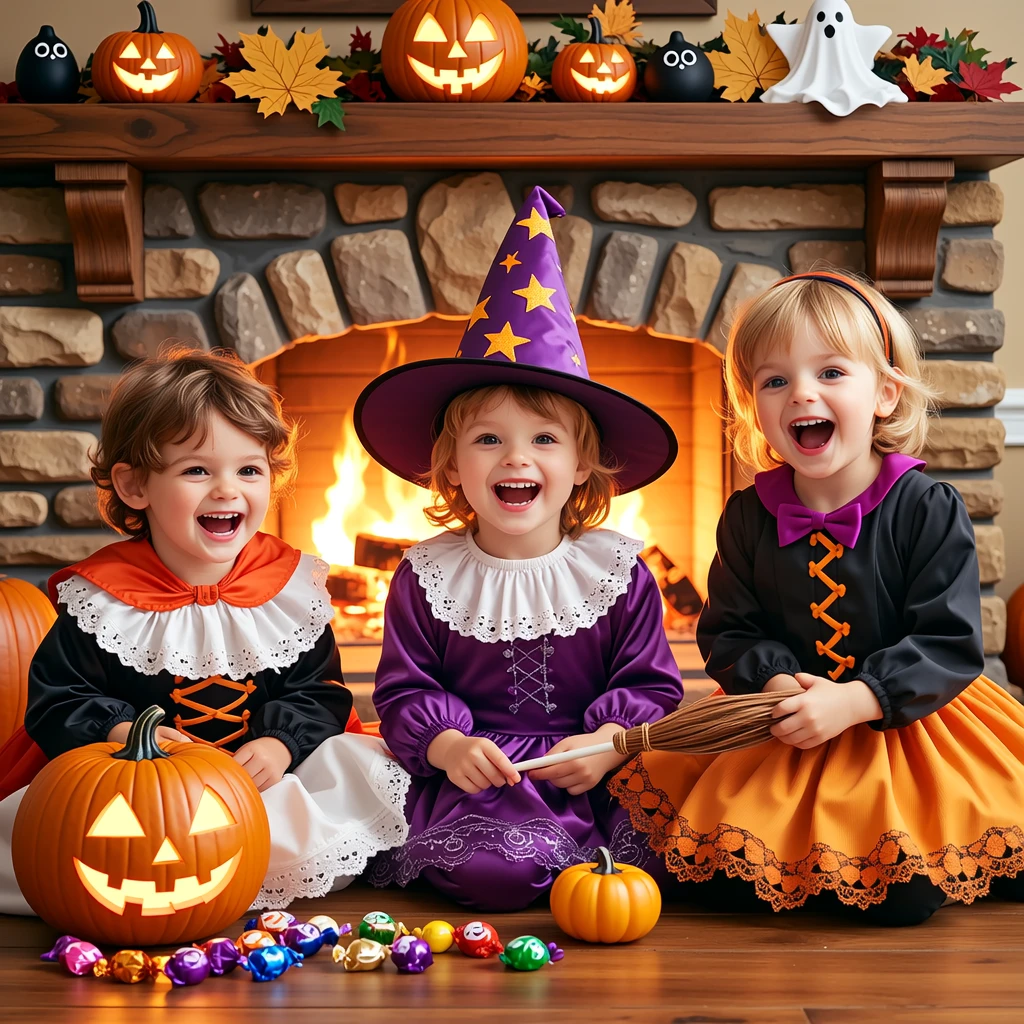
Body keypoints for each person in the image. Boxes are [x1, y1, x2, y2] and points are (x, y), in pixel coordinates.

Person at [610, 270, 1024, 926]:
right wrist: (772, 680)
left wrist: (861, 698)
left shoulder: (927, 507)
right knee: (713, 875)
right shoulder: (749, 516)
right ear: (755, 408)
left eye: (831, 372)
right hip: (785, 719)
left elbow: (948, 642)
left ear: (885, 393)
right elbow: (729, 629)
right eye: (775, 380)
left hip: (908, 719)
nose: (801, 391)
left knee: (903, 895)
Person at [355, 187, 684, 911]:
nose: (516, 459)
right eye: (488, 439)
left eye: (543, 439)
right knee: (494, 874)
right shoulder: (425, 575)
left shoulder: (618, 572)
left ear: (583, 463)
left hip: (594, 765)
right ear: (451, 466)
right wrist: (444, 746)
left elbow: (656, 685)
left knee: (694, 851)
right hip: (486, 776)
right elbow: (404, 687)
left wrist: (607, 742)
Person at [0, 349, 409, 914]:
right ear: (135, 485)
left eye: (249, 469)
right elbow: (58, 700)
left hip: (260, 789)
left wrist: (280, 743)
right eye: (197, 470)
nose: (227, 489)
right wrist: (124, 735)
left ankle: (271, 869)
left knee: (364, 768)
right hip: (138, 798)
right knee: (46, 842)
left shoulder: (286, 588)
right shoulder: (102, 599)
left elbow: (319, 693)